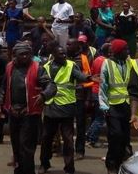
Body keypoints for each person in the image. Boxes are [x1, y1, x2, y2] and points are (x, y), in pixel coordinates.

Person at [0, 42, 57, 174]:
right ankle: (19, 170)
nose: (25, 57)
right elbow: (4, 87)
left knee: (27, 147)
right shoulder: (9, 67)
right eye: (22, 54)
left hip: (29, 113)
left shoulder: (37, 67)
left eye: (27, 54)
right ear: (14, 55)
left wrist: (43, 95)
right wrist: (0, 101)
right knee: (16, 146)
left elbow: (51, 86)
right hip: (13, 112)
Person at [39, 45, 96, 174]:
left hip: (67, 108)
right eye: (61, 54)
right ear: (53, 55)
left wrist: (88, 78)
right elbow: (41, 82)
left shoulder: (71, 66)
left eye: (64, 54)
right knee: (46, 138)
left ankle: (69, 167)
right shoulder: (46, 66)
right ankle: (44, 163)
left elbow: (79, 75)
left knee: (68, 140)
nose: (64, 56)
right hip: (51, 108)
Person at [99, 39, 132, 174]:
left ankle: (121, 163)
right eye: (125, 50)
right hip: (112, 106)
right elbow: (103, 86)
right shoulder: (107, 64)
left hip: (127, 105)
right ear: (118, 52)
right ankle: (111, 163)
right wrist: (104, 106)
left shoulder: (129, 62)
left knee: (125, 136)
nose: (128, 52)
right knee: (115, 135)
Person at [65, 38, 93, 160]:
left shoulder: (83, 59)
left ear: (77, 46)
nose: (67, 46)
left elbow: (88, 79)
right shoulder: (63, 58)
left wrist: (87, 98)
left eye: (70, 44)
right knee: (66, 125)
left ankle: (80, 151)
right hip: (65, 97)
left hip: (79, 96)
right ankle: (67, 149)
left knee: (81, 126)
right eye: (66, 44)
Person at [85, 43, 109, 149]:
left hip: (94, 90)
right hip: (100, 91)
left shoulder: (97, 59)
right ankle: (92, 140)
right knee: (100, 118)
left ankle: (89, 136)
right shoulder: (106, 62)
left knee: (97, 117)